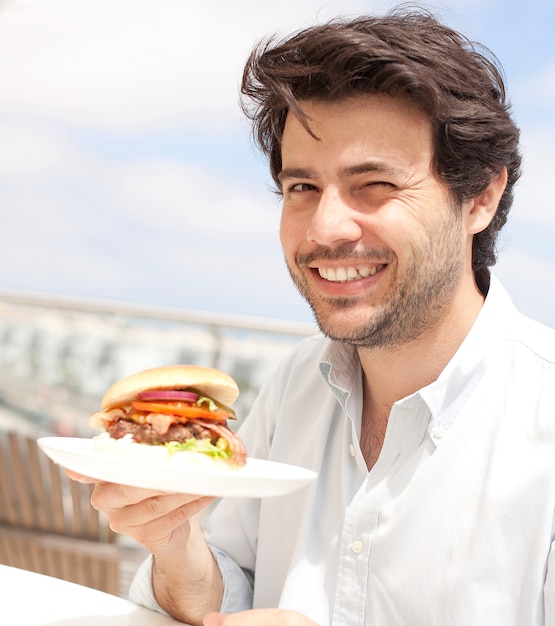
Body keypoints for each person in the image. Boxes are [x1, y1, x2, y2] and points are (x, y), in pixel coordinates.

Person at [70, 7, 555, 626]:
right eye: (302, 188)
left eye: (374, 184)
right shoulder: (297, 383)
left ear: (480, 197)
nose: (325, 229)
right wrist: (175, 544)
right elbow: (227, 590)